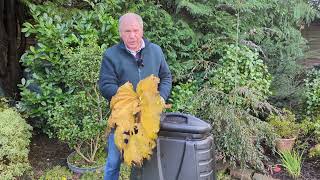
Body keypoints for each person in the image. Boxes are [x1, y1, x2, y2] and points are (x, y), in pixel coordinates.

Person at [98, 12, 172, 180]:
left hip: (149, 118)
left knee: (148, 159)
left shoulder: (155, 51)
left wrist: (161, 97)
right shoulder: (111, 55)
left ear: (142, 30)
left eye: (135, 30)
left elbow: (166, 76)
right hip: (123, 117)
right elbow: (105, 85)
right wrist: (128, 100)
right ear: (120, 33)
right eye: (127, 31)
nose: (132, 35)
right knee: (113, 162)